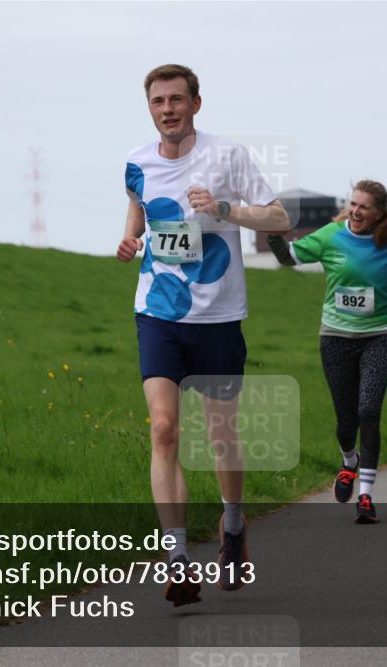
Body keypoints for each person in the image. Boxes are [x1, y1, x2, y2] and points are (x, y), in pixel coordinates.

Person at [116, 64, 290, 606]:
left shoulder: (228, 156)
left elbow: (279, 218)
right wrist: (128, 241)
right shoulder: (137, 163)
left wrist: (222, 209)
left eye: (176, 99)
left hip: (217, 317)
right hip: (159, 314)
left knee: (221, 438)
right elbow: (138, 215)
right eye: (157, 101)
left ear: (195, 102)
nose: (167, 109)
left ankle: (233, 526)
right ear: (149, 108)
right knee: (164, 430)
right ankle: (176, 558)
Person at [267, 181, 387, 522]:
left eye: (364, 207)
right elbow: (286, 258)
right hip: (336, 337)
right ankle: (348, 460)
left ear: (380, 213)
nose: (356, 211)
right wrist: (271, 232)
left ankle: (366, 496)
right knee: (345, 420)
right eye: (353, 204)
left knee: (368, 410)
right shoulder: (330, 235)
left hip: (381, 336)